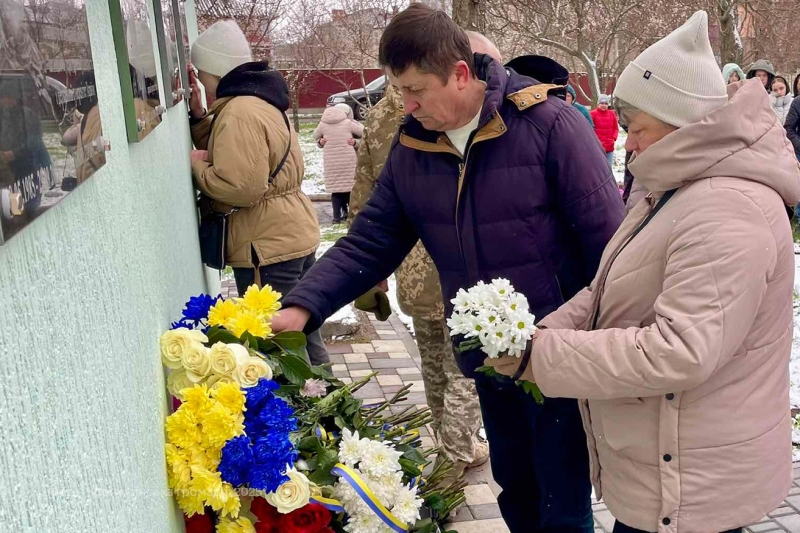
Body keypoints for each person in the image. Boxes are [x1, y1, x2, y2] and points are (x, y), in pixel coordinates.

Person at [273, 4, 625, 532]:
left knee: (562, 495)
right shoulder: (415, 145)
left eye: (416, 90)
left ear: (460, 74)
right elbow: (372, 239)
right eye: (399, 91)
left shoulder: (549, 126)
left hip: (556, 353)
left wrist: (602, 342)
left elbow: (610, 247)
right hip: (485, 355)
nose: (408, 106)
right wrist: (305, 303)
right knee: (516, 486)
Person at [485, 11, 799, 533]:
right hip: (669, 466)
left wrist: (543, 356)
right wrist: (538, 334)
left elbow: (679, 350)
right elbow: (607, 288)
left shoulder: (726, 208)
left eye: (637, 128)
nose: (627, 143)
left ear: (681, 124)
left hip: (694, 484)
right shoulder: (673, 188)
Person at [345, 31, 504, 486]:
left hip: (407, 262)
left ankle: (458, 445)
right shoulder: (456, 112)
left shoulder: (377, 117)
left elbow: (363, 194)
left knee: (433, 360)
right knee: (465, 369)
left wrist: (371, 270)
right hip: (452, 258)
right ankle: (454, 455)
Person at [187, 20, 328, 365]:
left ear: (216, 70)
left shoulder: (239, 112)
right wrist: (201, 118)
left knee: (282, 351)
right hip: (290, 233)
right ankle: (329, 410)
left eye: (203, 72)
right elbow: (240, 156)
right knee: (305, 336)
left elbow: (241, 186)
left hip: (267, 246)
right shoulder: (260, 101)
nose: (202, 81)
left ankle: (302, 416)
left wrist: (195, 166)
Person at [313, 103, 363, 224]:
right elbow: (364, 132)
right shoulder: (348, 123)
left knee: (336, 191)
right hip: (348, 161)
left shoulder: (323, 124)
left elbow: (315, 136)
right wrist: (355, 141)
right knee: (349, 189)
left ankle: (336, 218)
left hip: (331, 163)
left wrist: (320, 142)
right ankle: (349, 215)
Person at [591, 94, 619, 169]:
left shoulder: (612, 114)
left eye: (606, 103)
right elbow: (590, 129)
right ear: (598, 104)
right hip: (597, 147)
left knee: (608, 168)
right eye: (602, 103)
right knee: (597, 168)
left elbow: (615, 128)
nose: (604, 105)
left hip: (609, 146)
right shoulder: (592, 114)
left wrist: (613, 138)